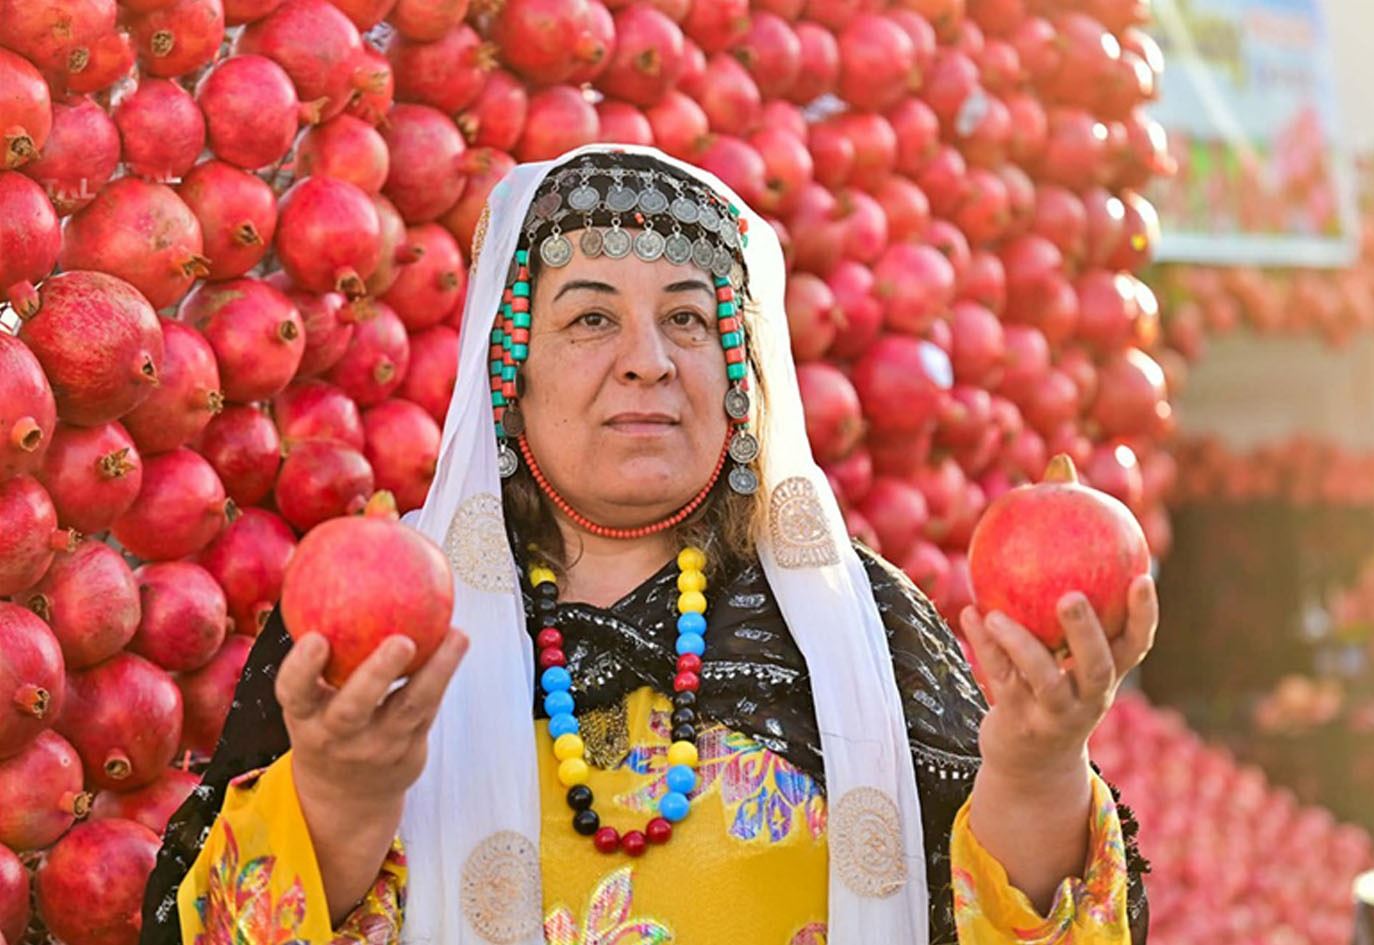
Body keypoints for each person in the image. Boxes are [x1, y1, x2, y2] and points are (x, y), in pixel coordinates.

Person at [142, 144, 1156, 945]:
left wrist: (1035, 771)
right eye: (590, 319)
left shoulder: (869, 631)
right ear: (511, 373)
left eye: (689, 318)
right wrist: (340, 800)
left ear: (741, 376)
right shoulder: (395, 635)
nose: (649, 363)